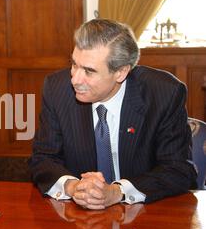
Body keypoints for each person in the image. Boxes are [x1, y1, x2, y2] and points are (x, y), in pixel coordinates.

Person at [29, 18, 197, 210]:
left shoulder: (164, 94)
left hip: (142, 217)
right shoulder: (56, 88)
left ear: (121, 72)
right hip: (78, 218)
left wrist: (117, 192)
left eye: (89, 71)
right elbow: (43, 158)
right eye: (74, 65)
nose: (75, 79)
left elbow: (178, 170)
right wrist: (73, 186)